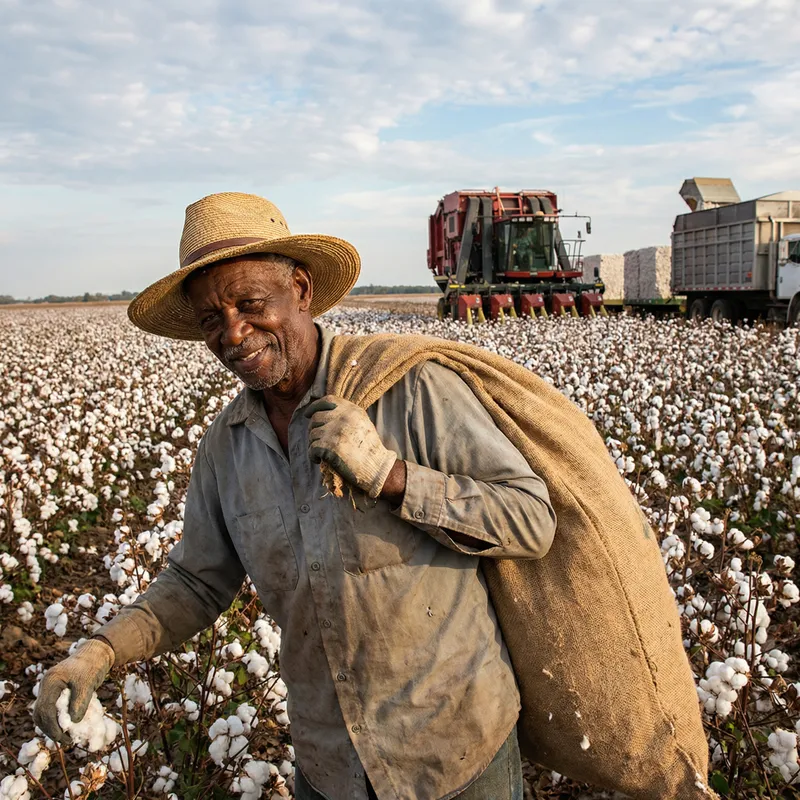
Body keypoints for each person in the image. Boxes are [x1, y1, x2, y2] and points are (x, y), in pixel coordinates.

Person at [34, 192, 557, 800]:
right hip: (328, 764)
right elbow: (198, 582)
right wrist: (97, 653)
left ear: (301, 291)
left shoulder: (411, 389)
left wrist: (392, 476)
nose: (234, 334)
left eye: (251, 305)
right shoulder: (225, 449)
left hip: (454, 753)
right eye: (211, 319)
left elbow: (530, 519)